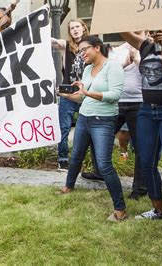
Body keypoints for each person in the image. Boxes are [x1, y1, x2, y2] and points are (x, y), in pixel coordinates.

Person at [59, 36, 126, 221]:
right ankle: (68, 186)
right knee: (76, 156)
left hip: (103, 121)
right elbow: (82, 98)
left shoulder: (113, 67)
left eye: (84, 50)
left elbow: (114, 95)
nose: (81, 54)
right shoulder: (88, 69)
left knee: (104, 165)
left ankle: (120, 208)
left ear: (97, 47)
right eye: (79, 51)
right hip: (84, 118)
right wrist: (63, 94)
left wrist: (87, 92)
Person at [120, 29, 162, 220]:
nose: (155, 30)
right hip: (146, 111)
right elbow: (122, 29)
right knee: (146, 162)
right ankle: (158, 210)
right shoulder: (145, 46)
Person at [82, 40, 147, 200]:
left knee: (139, 146)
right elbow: (111, 72)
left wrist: (137, 59)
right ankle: (99, 172)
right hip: (115, 103)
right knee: (96, 136)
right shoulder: (115, 50)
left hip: (138, 103)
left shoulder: (148, 49)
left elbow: (152, 75)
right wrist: (124, 63)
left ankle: (139, 188)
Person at [51, 19, 89, 171]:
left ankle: (83, 160)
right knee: (64, 127)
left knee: (88, 127)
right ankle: (63, 159)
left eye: (77, 27)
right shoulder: (66, 46)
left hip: (86, 92)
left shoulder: (92, 46)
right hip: (68, 92)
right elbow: (52, 41)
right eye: (72, 28)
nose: (75, 30)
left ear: (83, 28)